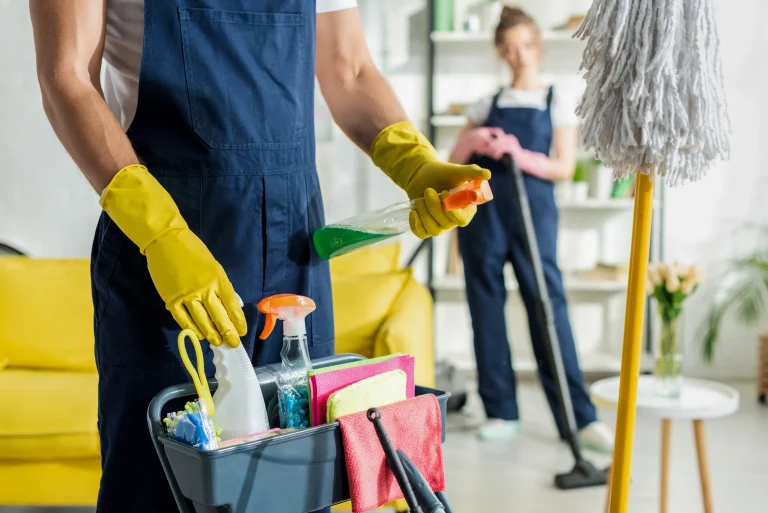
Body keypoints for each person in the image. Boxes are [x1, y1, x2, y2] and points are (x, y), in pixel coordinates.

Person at [29, 1, 490, 511]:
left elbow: (351, 68)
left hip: (292, 249)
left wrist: (414, 161)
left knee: (296, 477)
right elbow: (66, 78)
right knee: (158, 482)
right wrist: (161, 234)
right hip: (163, 249)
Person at [449, 6, 613, 451]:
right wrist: (476, 142)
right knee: (485, 309)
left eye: (524, 46)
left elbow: (563, 166)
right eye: (509, 49)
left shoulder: (556, 100)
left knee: (547, 305)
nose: (518, 55)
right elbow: (453, 159)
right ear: (501, 53)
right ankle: (501, 410)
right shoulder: (487, 103)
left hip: (532, 214)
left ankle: (579, 419)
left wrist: (518, 154)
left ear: (537, 45)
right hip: (484, 219)